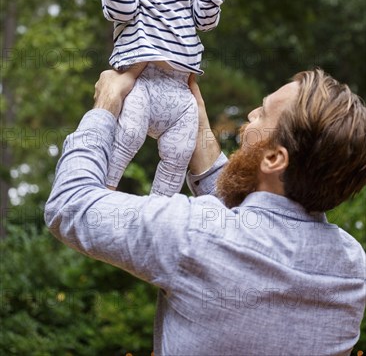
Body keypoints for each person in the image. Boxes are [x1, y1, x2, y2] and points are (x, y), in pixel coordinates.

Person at [45, 68, 366, 356]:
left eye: (262, 114)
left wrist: (105, 106)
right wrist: (195, 119)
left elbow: (72, 203)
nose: (251, 114)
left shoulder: (195, 234)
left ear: (273, 160)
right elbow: (250, 227)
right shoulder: (352, 269)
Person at [100, 0, 223, 195]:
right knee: (127, 133)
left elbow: (204, 20)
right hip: (141, 83)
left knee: (180, 151)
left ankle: (161, 204)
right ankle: (106, 186)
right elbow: (122, 11)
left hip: (180, 91)